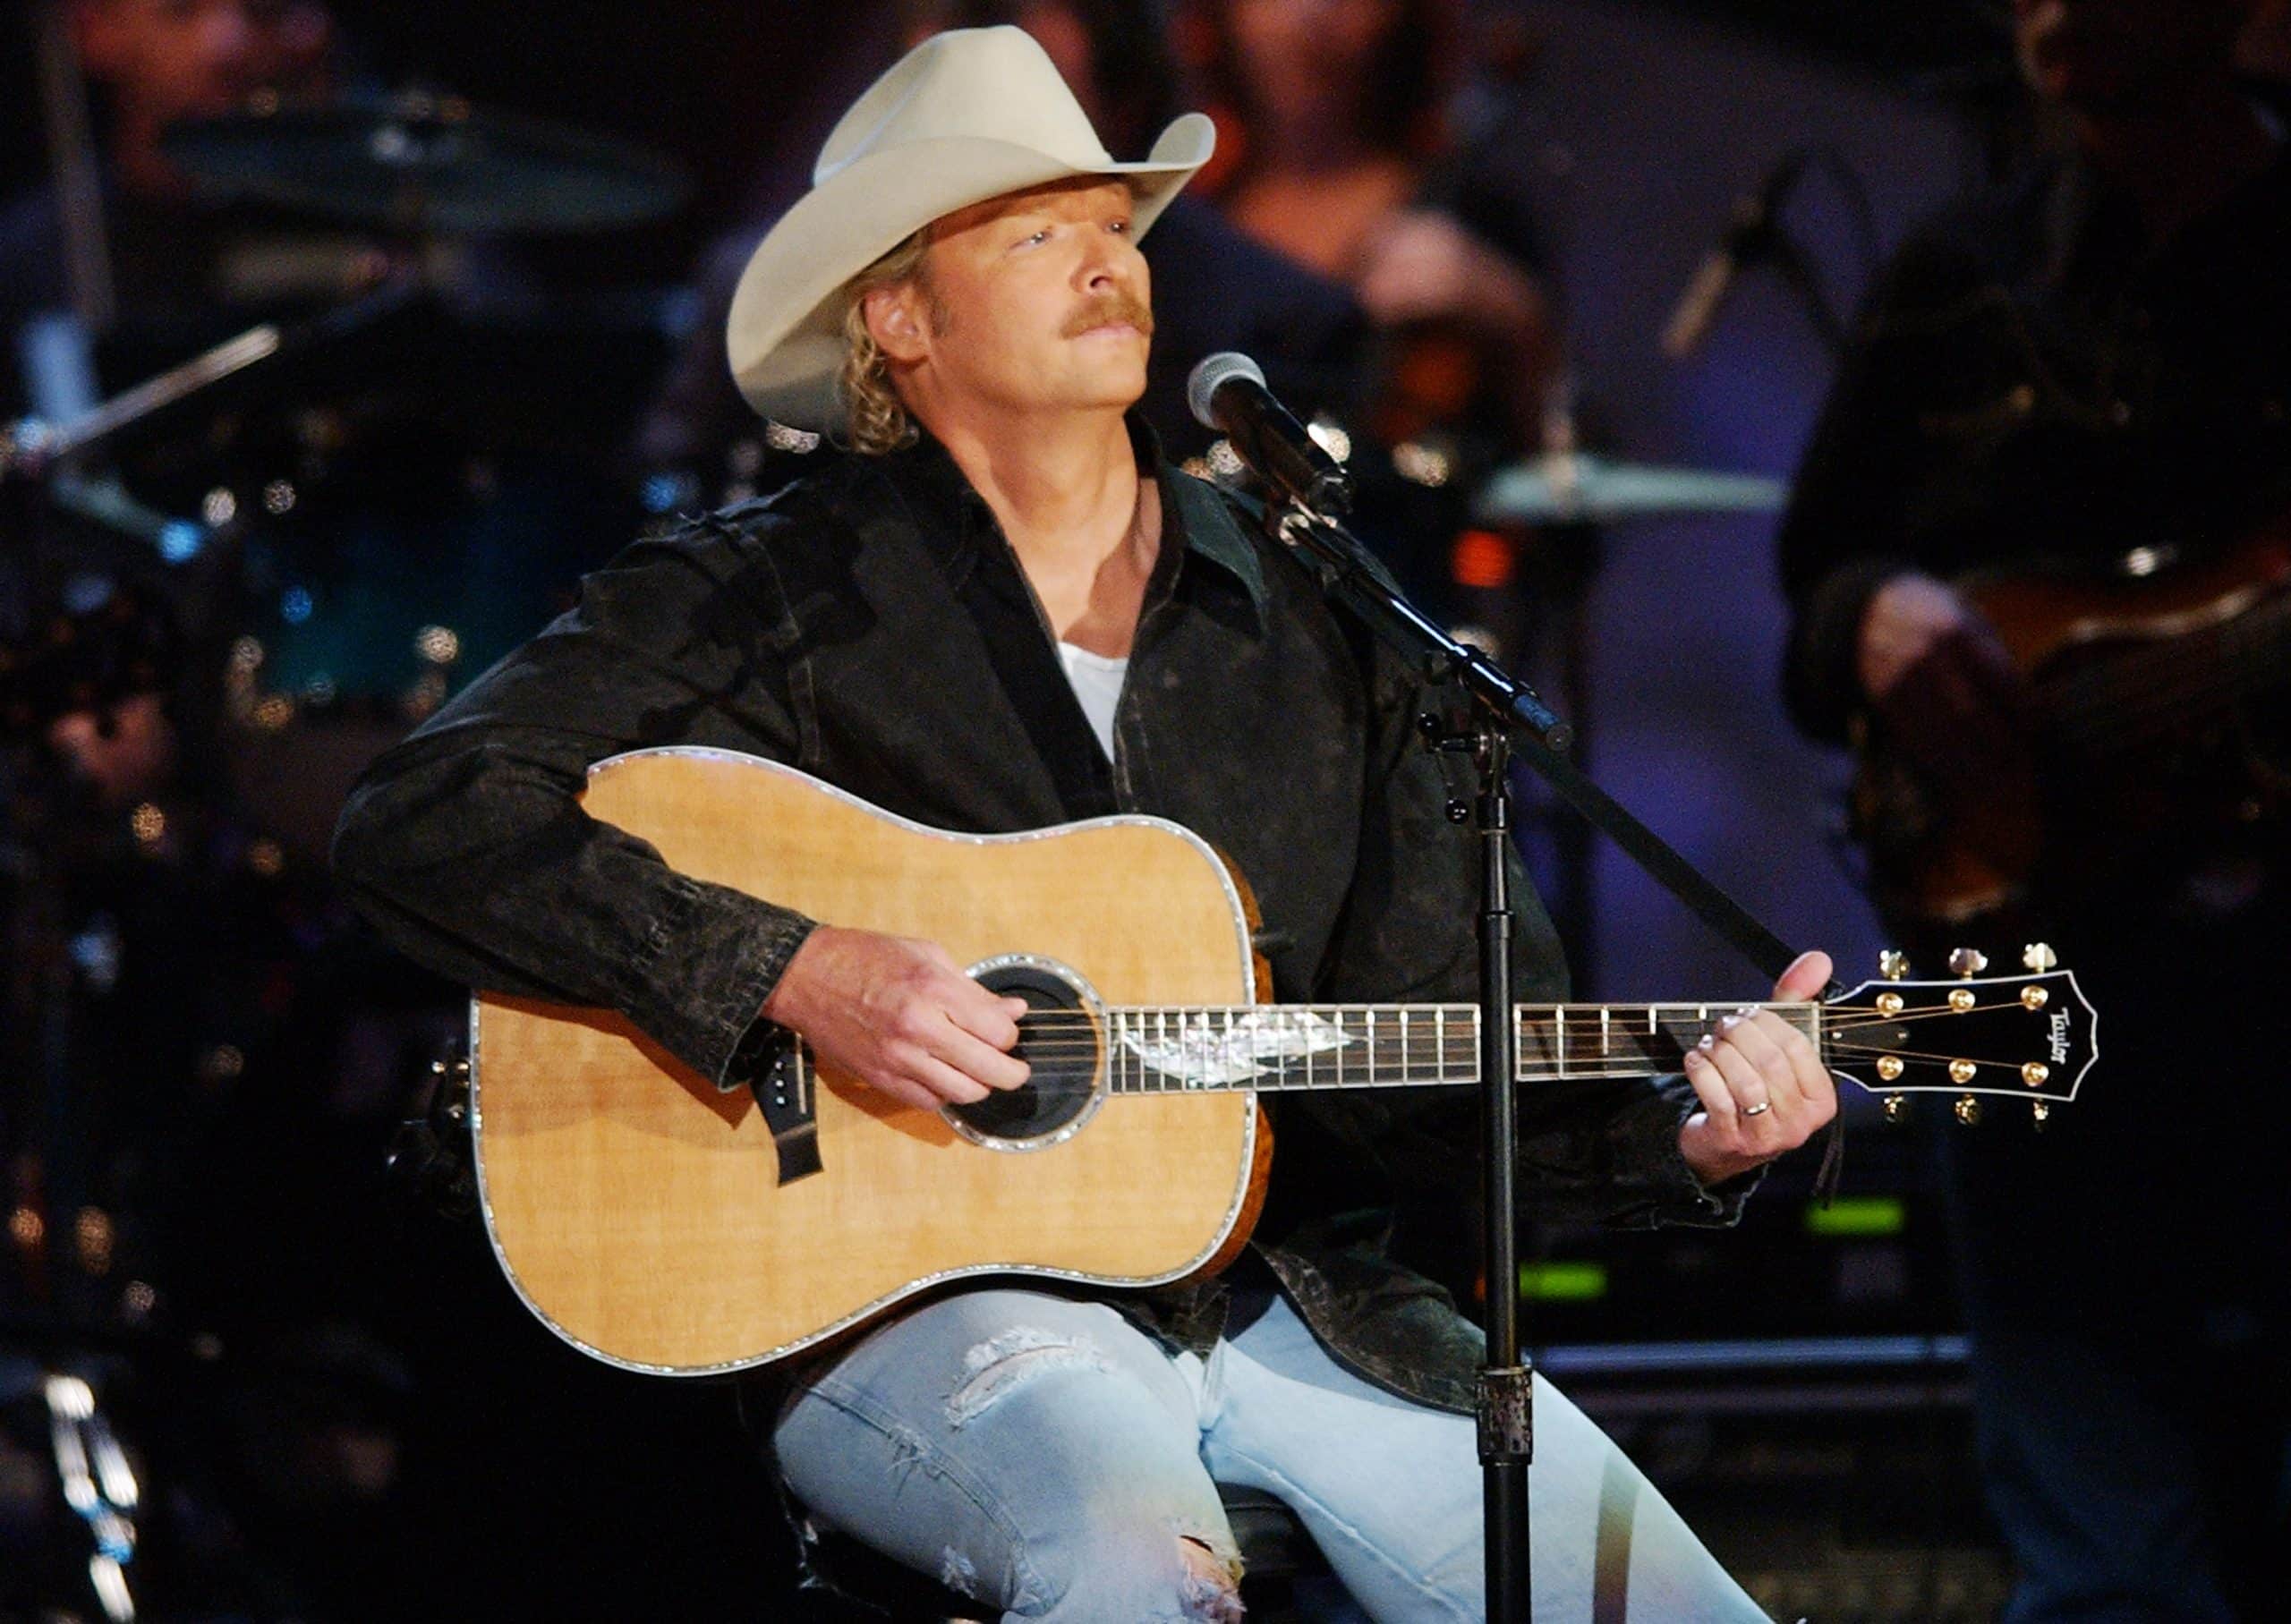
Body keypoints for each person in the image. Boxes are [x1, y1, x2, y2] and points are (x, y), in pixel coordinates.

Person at [336, 27, 1836, 1620]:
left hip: (1303, 1299)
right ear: (898, 317)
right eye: (1038, 230)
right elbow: (423, 813)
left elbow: (1448, 1066)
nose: (1106, 260)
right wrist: (791, 968)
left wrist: (1686, 1134)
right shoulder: (762, 594)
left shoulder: (1323, 615)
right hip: (927, 1306)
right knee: (1136, 1564)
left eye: (1117, 226)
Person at [1776, 2, 2291, 1618]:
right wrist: (1866, 613)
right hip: (2040, 957)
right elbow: (1814, 573)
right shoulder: (1961, 269)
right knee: (2094, 1547)